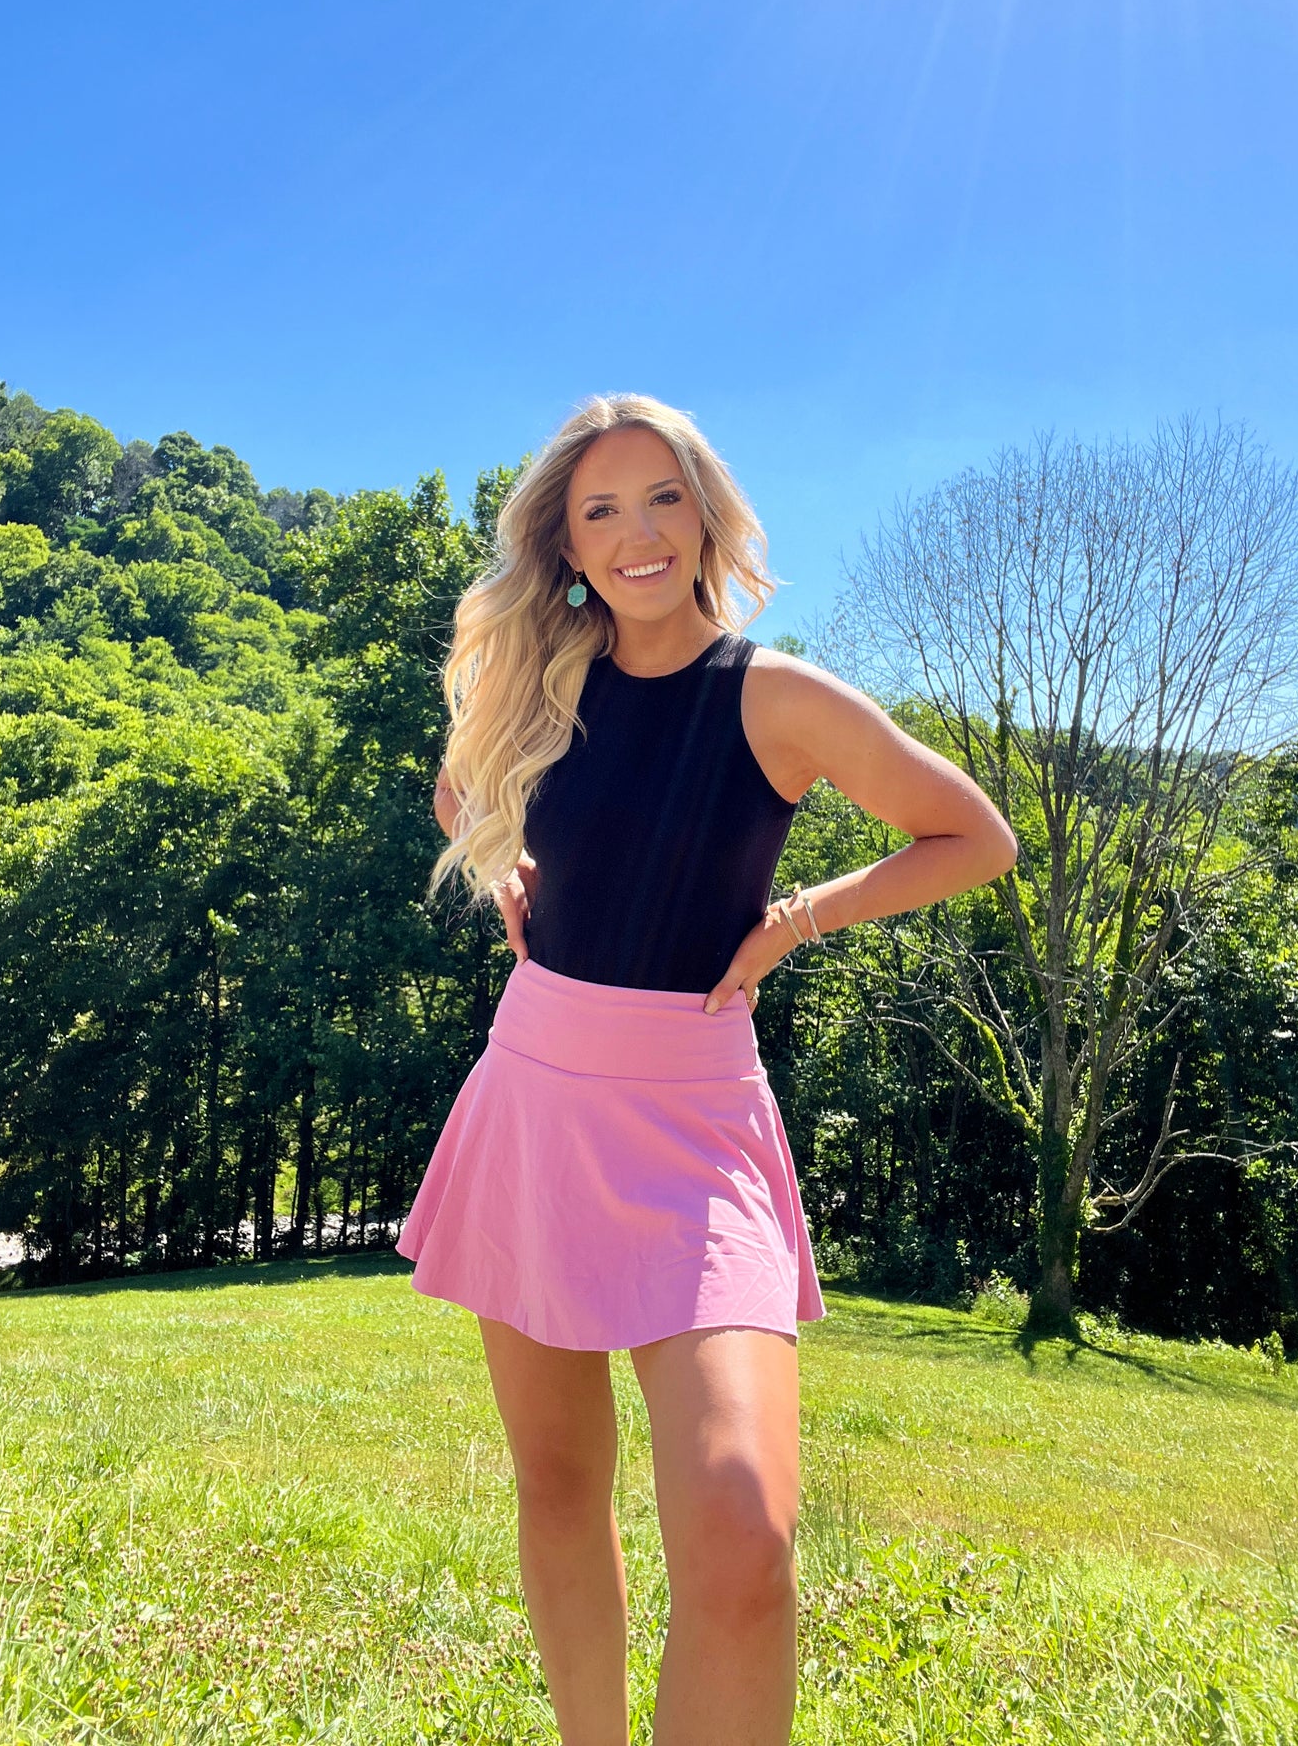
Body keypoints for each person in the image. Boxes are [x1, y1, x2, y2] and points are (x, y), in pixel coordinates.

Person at [395, 394, 1016, 1746]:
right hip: (538, 1092)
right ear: (565, 544)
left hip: (696, 1122)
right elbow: (458, 786)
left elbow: (973, 837)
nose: (637, 532)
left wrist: (796, 920)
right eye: (601, 509)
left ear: (705, 516)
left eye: (662, 497)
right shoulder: (538, 686)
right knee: (559, 1486)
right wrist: (501, 864)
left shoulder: (774, 696)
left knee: (743, 1534)